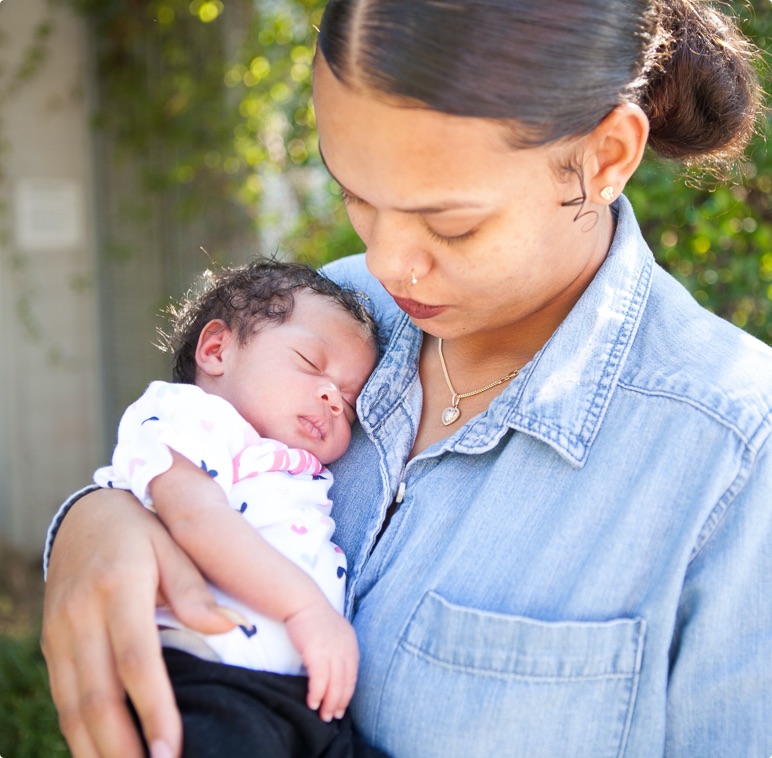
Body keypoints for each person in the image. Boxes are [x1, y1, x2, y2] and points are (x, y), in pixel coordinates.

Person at [42, 1, 772, 756]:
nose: (390, 265)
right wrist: (93, 521)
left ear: (607, 158)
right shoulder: (329, 318)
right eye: (355, 195)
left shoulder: (737, 453)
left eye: (451, 225)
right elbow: (189, 452)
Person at [91, 259, 380, 756]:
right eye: (311, 364)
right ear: (216, 349)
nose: (334, 398)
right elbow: (195, 519)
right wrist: (304, 606)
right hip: (207, 672)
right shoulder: (187, 417)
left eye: (351, 402)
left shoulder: (297, 464)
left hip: (299, 697)